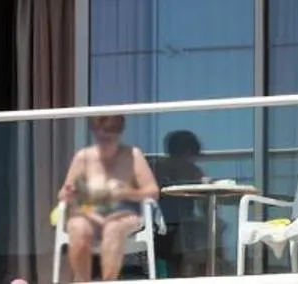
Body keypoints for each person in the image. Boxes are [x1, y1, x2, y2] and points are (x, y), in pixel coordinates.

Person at [59, 115, 160, 282]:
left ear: (120, 132)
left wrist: (127, 192)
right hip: (89, 210)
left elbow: (153, 191)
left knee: (113, 227)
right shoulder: (83, 157)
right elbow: (64, 193)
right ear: (95, 132)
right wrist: (70, 193)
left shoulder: (132, 155)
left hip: (124, 211)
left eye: (112, 130)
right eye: (102, 130)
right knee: (78, 227)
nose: (106, 135)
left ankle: (108, 282)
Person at [151, 130, 206, 278]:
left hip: (158, 224)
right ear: (188, 152)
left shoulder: (156, 167)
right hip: (174, 226)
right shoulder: (191, 170)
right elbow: (205, 201)